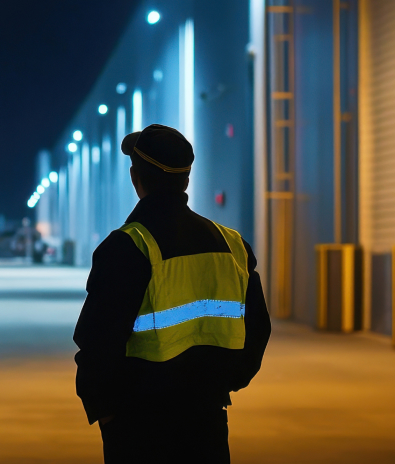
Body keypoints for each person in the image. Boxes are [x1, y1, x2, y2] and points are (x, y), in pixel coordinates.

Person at [73, 124, 271, 463]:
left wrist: (106, 411)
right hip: (207, 419)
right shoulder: (232, 245)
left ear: (135, 178)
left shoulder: (128, 246)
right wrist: (226, 381)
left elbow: (97, 342)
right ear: (186, 180)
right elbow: (258, 327)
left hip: (138, 424)